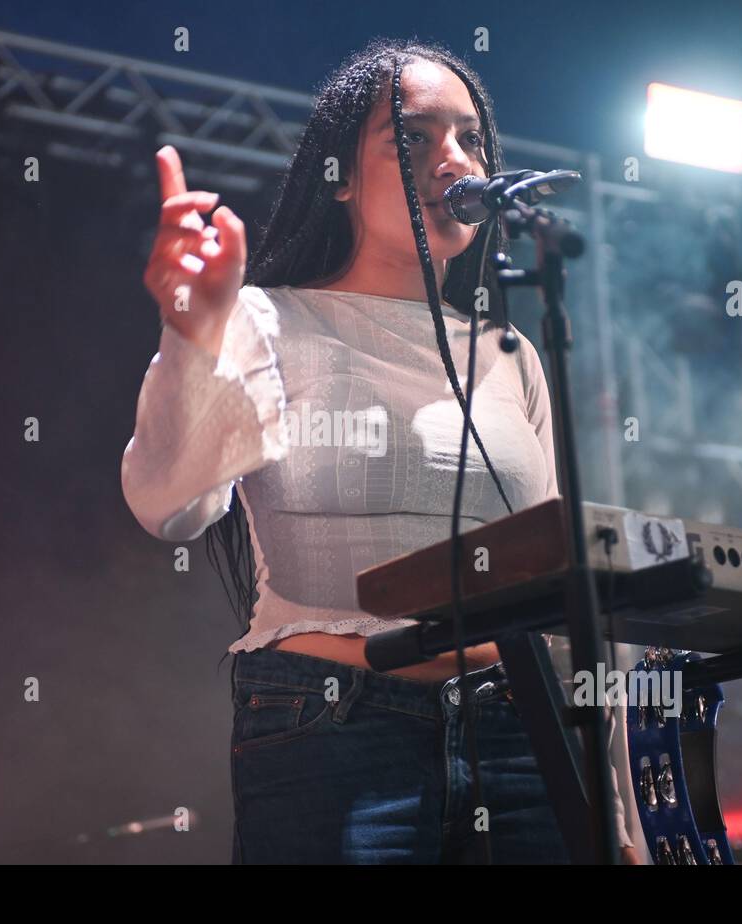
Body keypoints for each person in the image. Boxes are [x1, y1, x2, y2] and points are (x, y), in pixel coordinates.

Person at [123, 37, 637, 863]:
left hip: (526, 733)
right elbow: (170, 505)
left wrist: (615, 818)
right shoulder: (268, 320)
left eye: (470, 138)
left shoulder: (511, 355)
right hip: (337, 730)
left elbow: (559, 597)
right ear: (342, 177)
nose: (453, 160)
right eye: (413, 138)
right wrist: (192, 332)